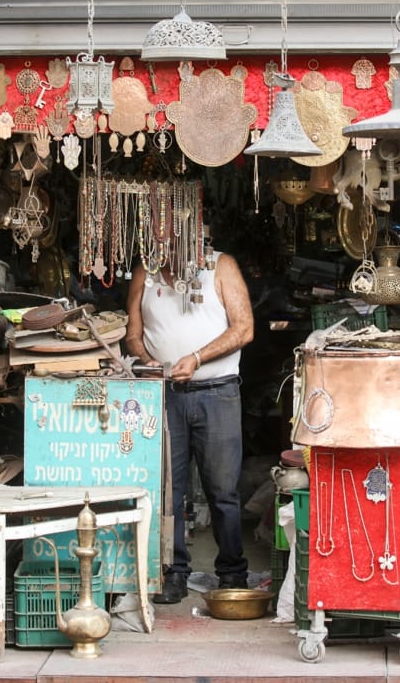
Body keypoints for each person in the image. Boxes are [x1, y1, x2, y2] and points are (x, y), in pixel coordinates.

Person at [125, 250, 255, 604]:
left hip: (217, 392)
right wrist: (146, 359)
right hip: (165, 393)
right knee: (169, 490)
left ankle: (232, 573)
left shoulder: (221, 265)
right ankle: (173, 573)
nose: (164, 244)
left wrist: (197, 358)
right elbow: (133, 333)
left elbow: (244, 329)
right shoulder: (145, 272)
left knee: (223, 491)